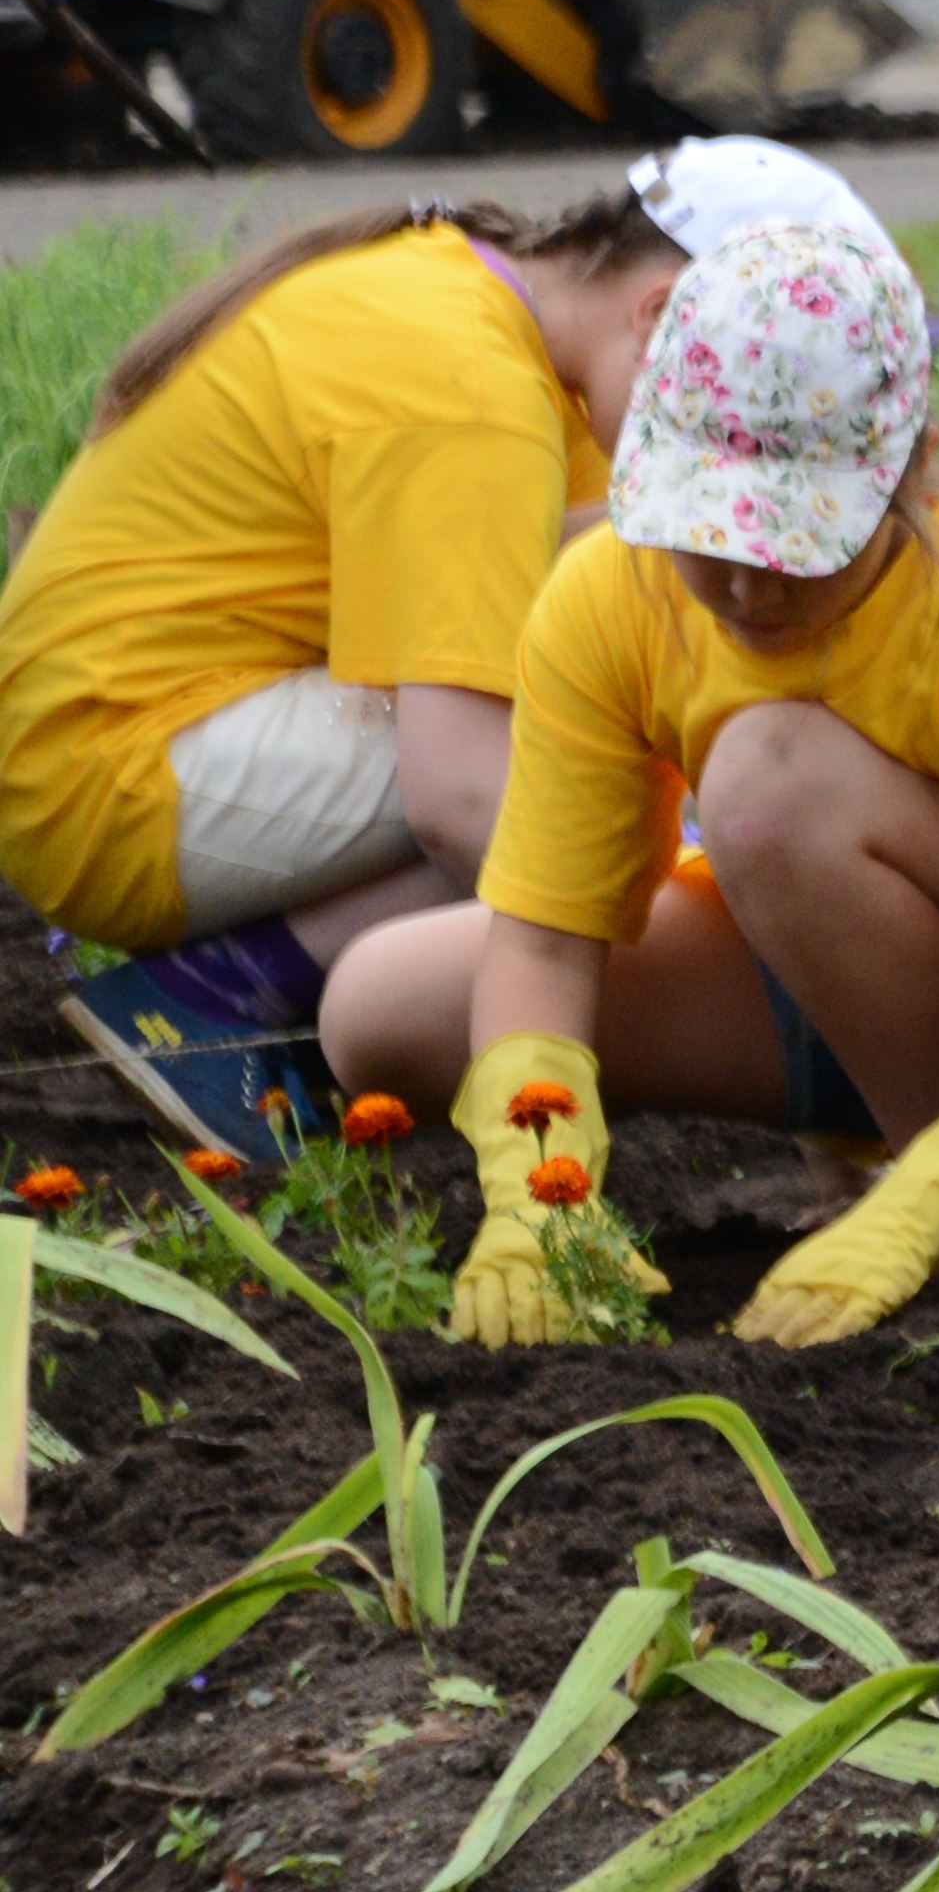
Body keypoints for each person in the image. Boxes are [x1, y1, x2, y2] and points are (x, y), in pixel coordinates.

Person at [316, 221, 939, 1349]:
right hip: (825, 944)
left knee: (769, 782)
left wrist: (928, 1206)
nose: (748, 587)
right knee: (381, 1007)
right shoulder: (608, 595)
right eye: (708, 530)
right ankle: (879, 1147)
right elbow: (546, 941)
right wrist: (539, 1194)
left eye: (798, 541)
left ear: (906, 471)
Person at [0, 150, 879, 1147]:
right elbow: (460, 796)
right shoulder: (469, 378)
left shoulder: (509, 326)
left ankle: (239, 977)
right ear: (663, 311)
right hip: (105, 776)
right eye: (738, 403)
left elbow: (618, 583)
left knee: (611, 661)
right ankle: (229, 990)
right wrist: (716, 945)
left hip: (158, 733)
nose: (727, 451)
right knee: (583, 751)